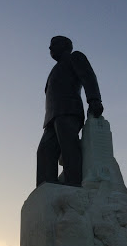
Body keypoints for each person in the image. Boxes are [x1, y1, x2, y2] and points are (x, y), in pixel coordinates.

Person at [36, 36, 103, 187]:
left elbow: (88, 77)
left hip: (68, 110)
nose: (50, 48)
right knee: (44, 151)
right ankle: (46, 187)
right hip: (52, 117)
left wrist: (94, 100)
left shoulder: (75, 57)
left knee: (68, 146)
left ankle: (74, 183)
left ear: (65, 45)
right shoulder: (55, 69)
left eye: (53, 45)